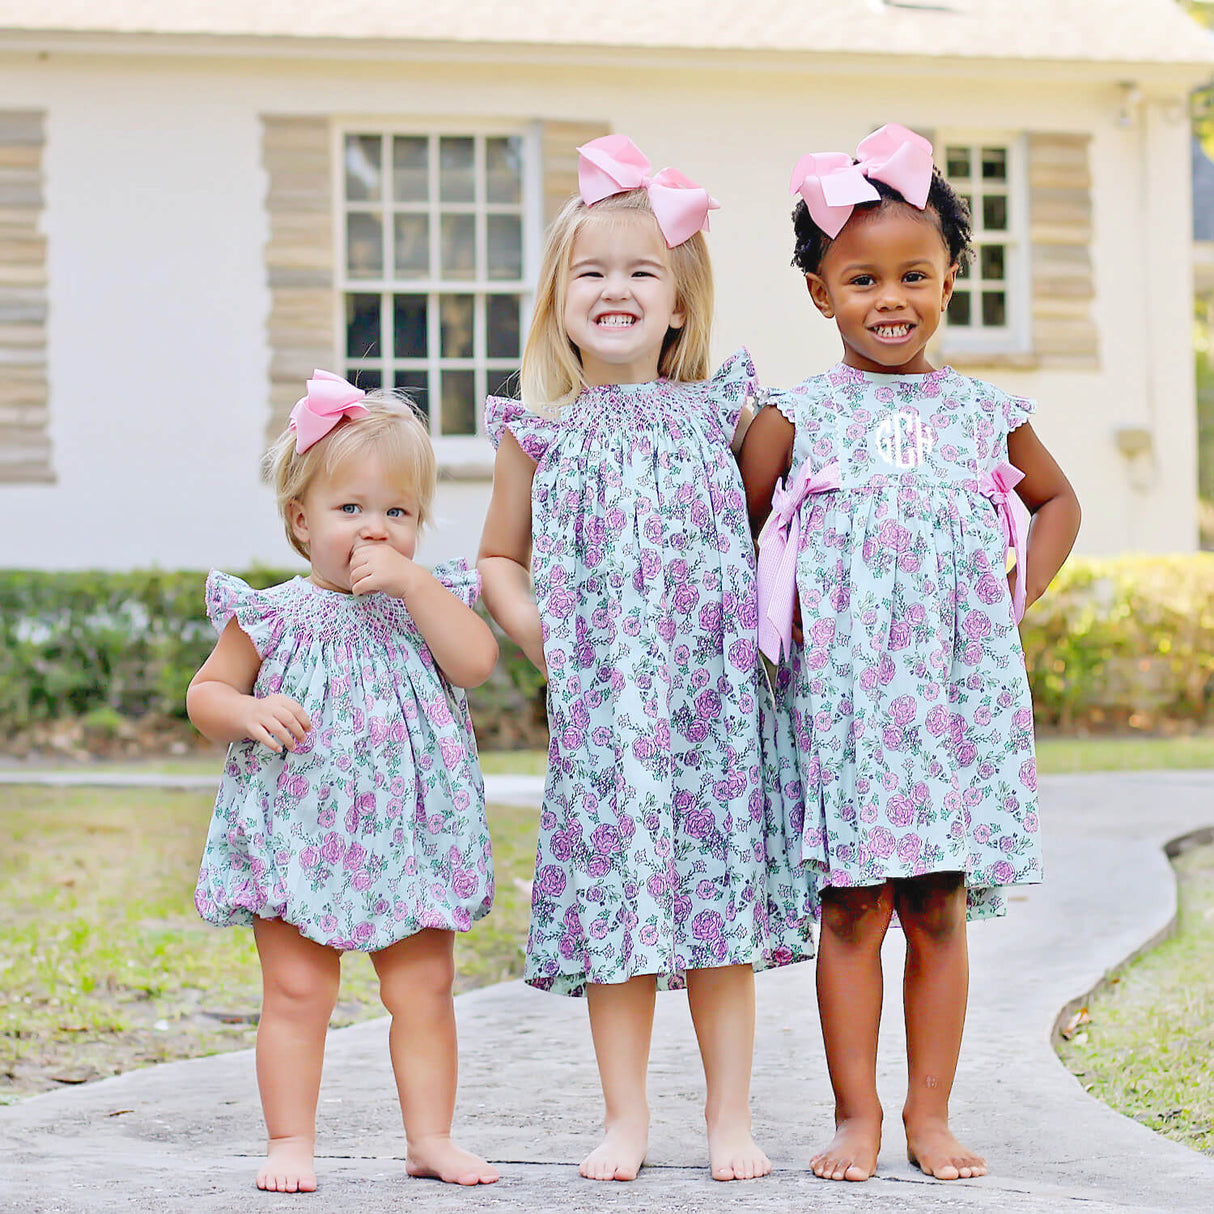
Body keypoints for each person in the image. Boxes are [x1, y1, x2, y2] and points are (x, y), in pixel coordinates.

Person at [740, 124, 1081, 1184]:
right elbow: (736, 529)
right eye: (861, 279)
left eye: (913, 276)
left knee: (934, 902)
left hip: (950, 697)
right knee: (851, 904)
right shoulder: (793, 415)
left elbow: (1056, 500)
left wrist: (1015, 589)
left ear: (947, 282)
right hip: (839, 704)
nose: (889, 299)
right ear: (817, 291)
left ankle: (929, 1112)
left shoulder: (985, 413)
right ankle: (857, 1117)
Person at [477, 135, 813, 1184]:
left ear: (677, 302)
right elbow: (496, 555)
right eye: (589, 271)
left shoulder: (723, 412)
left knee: (715, 924)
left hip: (712, 710)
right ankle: (624, 1116)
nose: (613, 288)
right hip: (604, 717)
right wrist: (538, 631)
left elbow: (792, 511)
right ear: (557, 300)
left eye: (639, 270)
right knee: (618, 924)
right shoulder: (539, 433)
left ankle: (727, 1117)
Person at [186, 373, 500, 1193]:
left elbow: (476, 663)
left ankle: (430, 1138)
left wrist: (419, 585)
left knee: (424, 986)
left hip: (409, 831)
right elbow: (205, 695)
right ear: (301, 520)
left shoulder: (425, 600)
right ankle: (291, 1140)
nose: (376, 529)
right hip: (299, 827)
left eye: (397, 512)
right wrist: (248, 713)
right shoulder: (274, 613)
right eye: (350, 509)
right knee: (297, 990)